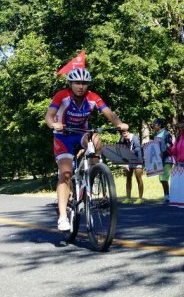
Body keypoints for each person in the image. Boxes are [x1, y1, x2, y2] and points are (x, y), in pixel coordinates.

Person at [44, 67, 128, 231]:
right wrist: (53, 124)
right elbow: (49, 114)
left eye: (84, 83)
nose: (80, 86)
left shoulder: (92, 97)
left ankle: (93, 175)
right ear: (70, 83)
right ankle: (62, 217)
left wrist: (119, 124)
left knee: (96, 139)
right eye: (77, 83)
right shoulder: (62, 95)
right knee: (66, 173)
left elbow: (109, 113)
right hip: (63, 136)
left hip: (81, 133)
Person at [150, 118, 174, 204]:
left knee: (164, 178)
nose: (153, 126)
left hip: (167, 159)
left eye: (154, 124)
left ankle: (168, 197)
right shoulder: (155, 135)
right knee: (161, 179)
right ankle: (166, 196)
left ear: (159, 125)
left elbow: (170, 146)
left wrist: (163, 153)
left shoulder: (166, 134)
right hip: (159, 160)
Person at [118, 129, 144, 203]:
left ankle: (140, 198)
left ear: (128, 132)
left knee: (138, 178)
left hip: (137, 160)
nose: (125, 135)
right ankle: (128, 198)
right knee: (128, 178)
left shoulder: (134, 138)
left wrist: (129, 152)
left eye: (125, 134)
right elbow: (119, 147)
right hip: (128, 160)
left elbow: (138, 148)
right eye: (123, 134)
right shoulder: (122, 138)